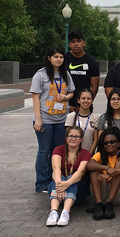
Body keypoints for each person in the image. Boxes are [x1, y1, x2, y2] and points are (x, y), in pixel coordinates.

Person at [31, 47, 75, 193]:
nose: (58, 59)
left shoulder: (65, 74)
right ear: (49, 58)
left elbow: (71, 92)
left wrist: (66, 97)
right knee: (44, 151)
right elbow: (35, 97)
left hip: (61, 119)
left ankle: (53, 180)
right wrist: (38, 119)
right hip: (45, 119)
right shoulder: (41, 75)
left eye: (61, 57)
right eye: (55, 57)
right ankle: (41, 183)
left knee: (56, 151)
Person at [45, 126, 91, 227]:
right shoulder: (58, 149)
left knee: (71, 177)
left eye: (77, 136)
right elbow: (56, 168)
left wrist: (66, 184)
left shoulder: (86, 153)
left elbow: (80, 172)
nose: (73, 139)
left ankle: (65, 212)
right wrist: (59, 184)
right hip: (57, 187)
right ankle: (53, 212)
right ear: (66, 137)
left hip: (78, 190)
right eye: (70, 136)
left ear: (81, 139)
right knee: (59, 177)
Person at [86, 127, 120, 220]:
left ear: (118, 144)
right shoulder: (99, 154)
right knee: (94, 169)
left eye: (112, 142)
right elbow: (89, 165)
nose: (109, 144)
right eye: (105, 143)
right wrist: (106, 168)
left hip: (117, 194)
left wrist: (109, 174)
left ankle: (109, 203)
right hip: (101, 193)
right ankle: (98, 204)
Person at [64, 30, 100, 113]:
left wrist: (85, 104)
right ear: (70, 45)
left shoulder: (91, 62)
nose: (76, 44)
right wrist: (66, 105)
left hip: (85, 107)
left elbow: (94, 88)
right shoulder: (63, 60)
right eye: (73, 42)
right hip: (66, 106)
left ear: (84, 43)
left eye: (79, 41)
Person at [96, 88, 120, 153]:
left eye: (119, 99)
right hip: (106, 155)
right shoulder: (103, 118)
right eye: (113, 99)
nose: (116, 101)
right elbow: (100, 140)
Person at [65, 88, 99, 154]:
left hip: (89, 154)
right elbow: (68, 138)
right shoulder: (71, 116)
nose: (86, 101)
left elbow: (95, 140)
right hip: (73, 154)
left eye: (89, 99)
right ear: (78, 100)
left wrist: (88, 155)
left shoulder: (95, 118)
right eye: (83, 98)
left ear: (92, 101)